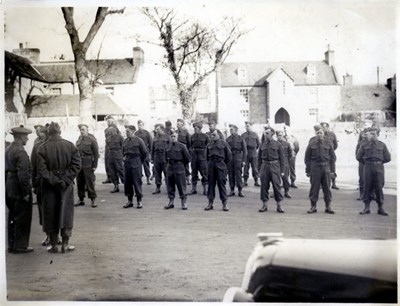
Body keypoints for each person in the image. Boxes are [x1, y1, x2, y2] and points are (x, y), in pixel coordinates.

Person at [36, 122, 81, 253]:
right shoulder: (70, 145)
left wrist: (54, 181)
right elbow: (77, 165)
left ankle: (54, 245)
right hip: (66, 186)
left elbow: (42, 170)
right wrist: (65, 180)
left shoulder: (42, 148)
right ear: (60, 132)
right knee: (66, 213)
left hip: (49, 186)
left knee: (50, 213)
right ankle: (65, 244)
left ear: (48, 133)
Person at [5, 125, 34, 253]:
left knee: (12, 216)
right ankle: (20, 245)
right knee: (22, 217)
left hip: (9, 186)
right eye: (26, 136)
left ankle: (11, 244)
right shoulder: (20, 152)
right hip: (18, 187)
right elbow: (23, 175)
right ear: (21, 136)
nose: (27, 139)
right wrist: (26, 192)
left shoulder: (8, 149)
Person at [31, 123, 60, 246]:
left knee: (56, 209)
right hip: (41, 183)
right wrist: (34, 184)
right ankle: (48, 235)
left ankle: (56, 236)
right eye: (42, 133)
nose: (43, 135)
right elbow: (34, 167)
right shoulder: (37, 147)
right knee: (44, 211)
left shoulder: (55, 145)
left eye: (45, 133)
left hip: (53, 183)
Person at [356, 127, 391, 215]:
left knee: (379, 187)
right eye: (370, 134)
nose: (371, 136)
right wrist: (367, 163)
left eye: (373, 134)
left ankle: (380, 208)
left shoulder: (382, 145)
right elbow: (358, 157)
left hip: (379, 167)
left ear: (378, 135)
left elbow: (388, 158)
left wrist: (378, 162)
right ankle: (366, 208)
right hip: (368, 167)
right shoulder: (364, 145)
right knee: (367, 186)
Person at [304, 125, 336, 214]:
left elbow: (333, 158)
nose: (319, 135)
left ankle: (328, 206)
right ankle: (313, 206)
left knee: (327, 188)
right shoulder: (311, 144)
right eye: (317, 133)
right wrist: (308, 170)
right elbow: (307, 159)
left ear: (323, 134)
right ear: (315, 134)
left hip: (326, 168)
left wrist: (332, 171)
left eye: (321, 133)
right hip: (315, 168)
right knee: (314, 188)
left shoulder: (328, 143)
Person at [257, 127, 285, 213]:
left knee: (276, 186)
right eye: (265, 133)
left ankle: (279, 205)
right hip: (265, 166)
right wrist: (259, 170)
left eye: (267, 133)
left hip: (275, 166)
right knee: (264, 186)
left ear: (272, 134)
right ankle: (264, 205)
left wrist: (282, 171)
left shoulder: (278, 144)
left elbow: (282, 158)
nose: (266, 135)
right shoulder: (262, 145)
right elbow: (259, 159)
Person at [204, 131, 232, 211]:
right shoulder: (209, 145)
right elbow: (206, 157)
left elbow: (229, 156)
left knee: (221, 184)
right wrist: (210, 164)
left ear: (219, 135)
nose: (212, 136)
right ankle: (210, 203)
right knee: (211, 184)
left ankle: (224, 203)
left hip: (220, 165)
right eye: (211, 135)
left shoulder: (224, 144)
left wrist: (223, 164)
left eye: (214, 135)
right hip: (211, 165)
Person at [164, 129, 191, 210]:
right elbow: (165, 158)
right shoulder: (167, 146)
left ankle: (183, 202)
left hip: (179, 166)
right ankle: (171, 201)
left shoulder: (182, 146)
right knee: (170, 185)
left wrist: (181, 164)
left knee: (181, 185)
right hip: (170, 166)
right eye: (171, 136)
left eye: (174, 136)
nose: (173, 138)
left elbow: (187, 158)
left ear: (177, 137)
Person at [122, 125, 148, 209]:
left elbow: (144, 152)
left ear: (133, 131)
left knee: (137, 181)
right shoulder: (125, 141)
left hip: (136, 161)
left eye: (128, 131)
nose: (126, 133)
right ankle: (129, 200)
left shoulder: (139, 141)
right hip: (127, 162)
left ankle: (139, 201)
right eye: (126, 131)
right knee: (127, 182)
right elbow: (123, 152)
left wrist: (139, 161)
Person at [75, 124, 99, 208]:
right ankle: (81, 199)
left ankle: (93, 199)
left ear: (87, 130)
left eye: (83, 129)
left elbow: (96, 154)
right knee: (80, 182)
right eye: (80, 130)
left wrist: (95, 165)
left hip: (88, 163)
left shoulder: (91, 140)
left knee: (89, 182)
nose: (81, 131)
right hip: (79, 164)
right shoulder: (79, 140)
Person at [226, 124, 247, 197]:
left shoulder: (241, 139)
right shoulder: (228, 139)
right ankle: (232, 190)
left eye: (232, 129)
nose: (230, 130)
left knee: (238, 174)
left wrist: (244, 160)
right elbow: (225, 150)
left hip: (238, 157)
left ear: (236, 130)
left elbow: (245, 151)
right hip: (230, 157)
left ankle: (240, 190)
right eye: (230, 129)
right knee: (231, 174)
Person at [189, 122, 209, 195]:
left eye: (196, 128)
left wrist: (206, 156)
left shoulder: (205, 136)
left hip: (202, 155)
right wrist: (191, 153)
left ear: (200, 128)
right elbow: (190, 146)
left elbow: (208, 146)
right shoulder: (192, 136)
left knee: (204, 172)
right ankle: (194, 189)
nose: (195, 129)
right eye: (194, 128)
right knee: (194, 172)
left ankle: (205, 189)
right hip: (194, 155)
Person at [151, 124, 169, 194]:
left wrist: (169, 157)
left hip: (164, 157)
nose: (156, 130)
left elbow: (170, 147)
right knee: (157, 173)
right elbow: (152, 149)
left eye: (157, 129)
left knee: (166, 173)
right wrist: (152, 158)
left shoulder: (167, 137)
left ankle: (169, 187)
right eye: (156, 129)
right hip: (156, 157)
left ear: (162, 129)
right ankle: (158, 187)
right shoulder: (155, 138)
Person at [320, 122, 339, 189]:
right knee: (322, 169)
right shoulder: (320, 135)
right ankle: (321, 184)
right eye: (322, 127)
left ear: (327, 127)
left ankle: (333, 184)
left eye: (324, 127)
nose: (323, 128)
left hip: (331, 155)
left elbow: (336, 145)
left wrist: (331, 151)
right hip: (323, 155)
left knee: (332, 169)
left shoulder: (332, 134)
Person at [241, 121, 261, 187]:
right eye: (246, 126)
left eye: (248, 126)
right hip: (246, 152)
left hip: (253, 152)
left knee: (255, 167)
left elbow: (258, 144)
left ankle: (256, 181)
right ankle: (245, 181)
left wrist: (254, 149)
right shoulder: (243, 135)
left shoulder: (255, 134)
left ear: (251, 126)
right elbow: (241, 145)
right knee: (246, 168)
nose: (247, 127)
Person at [107, 125, 125, 193]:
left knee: (120, 169)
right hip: (111, 154)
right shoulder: (108, 138)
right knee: (112, 171)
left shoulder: (120, 137)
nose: (110, 132)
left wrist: (123, 155)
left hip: (118, 154)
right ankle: (116, 185)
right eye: (109, 131)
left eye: (111, 131)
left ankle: (126, 184)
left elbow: (123, 146)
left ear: (115, 130)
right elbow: (108, 146)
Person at [135, 120, 153, 185]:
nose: (140, 126)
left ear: (143, 125)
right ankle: (140, 179)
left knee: (146, 165)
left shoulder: (146, 133)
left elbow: (150, 143)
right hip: (138, 152)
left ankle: (148, 179)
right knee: (138, 166)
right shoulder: (136, 133)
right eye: (139, 125)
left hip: (145, 151)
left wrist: (150, 153)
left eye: (141, 125)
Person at [276, 130, 293, 198]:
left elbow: (290, 154)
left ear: (283, 136)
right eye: (278, 135)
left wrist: (286, 161)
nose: (280, 137)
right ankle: (276, 192)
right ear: (276, 136)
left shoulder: (287, 144)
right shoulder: (275, 143)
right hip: (277, 162)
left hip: (285, 162)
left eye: (281, 135)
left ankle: (286, 191)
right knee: (276, 179)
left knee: (285, 178)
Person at [103, 115, 118, 184]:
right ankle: (109, 177)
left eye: (109, 121)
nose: (108, 123)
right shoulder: (106, 129)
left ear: (113, 121)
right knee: (107, 162)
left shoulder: (116, 129)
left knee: (114, 164)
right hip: (107, 147)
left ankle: (115, 179)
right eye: (107, 121)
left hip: (113, 147)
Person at [176, 118, 192, 185]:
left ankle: (188, 178)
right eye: (177, 124)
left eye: (179, 124)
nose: (177, 125)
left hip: (184, 149)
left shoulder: (186, 132)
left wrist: (188, 151)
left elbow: (189, 142)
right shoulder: (176, 132)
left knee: (186, 164)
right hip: (177, 150)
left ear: (182, 124)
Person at [355, 128, 369, 201]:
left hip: (370, 163)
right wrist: (363, 161)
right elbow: (357, 154)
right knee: (362, 179)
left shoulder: (372, 143)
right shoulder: (360, 144)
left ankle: (372, 194)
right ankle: (361, 194)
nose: (364, 136)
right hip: (362, 163)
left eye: (366, 134)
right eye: (363, 135)